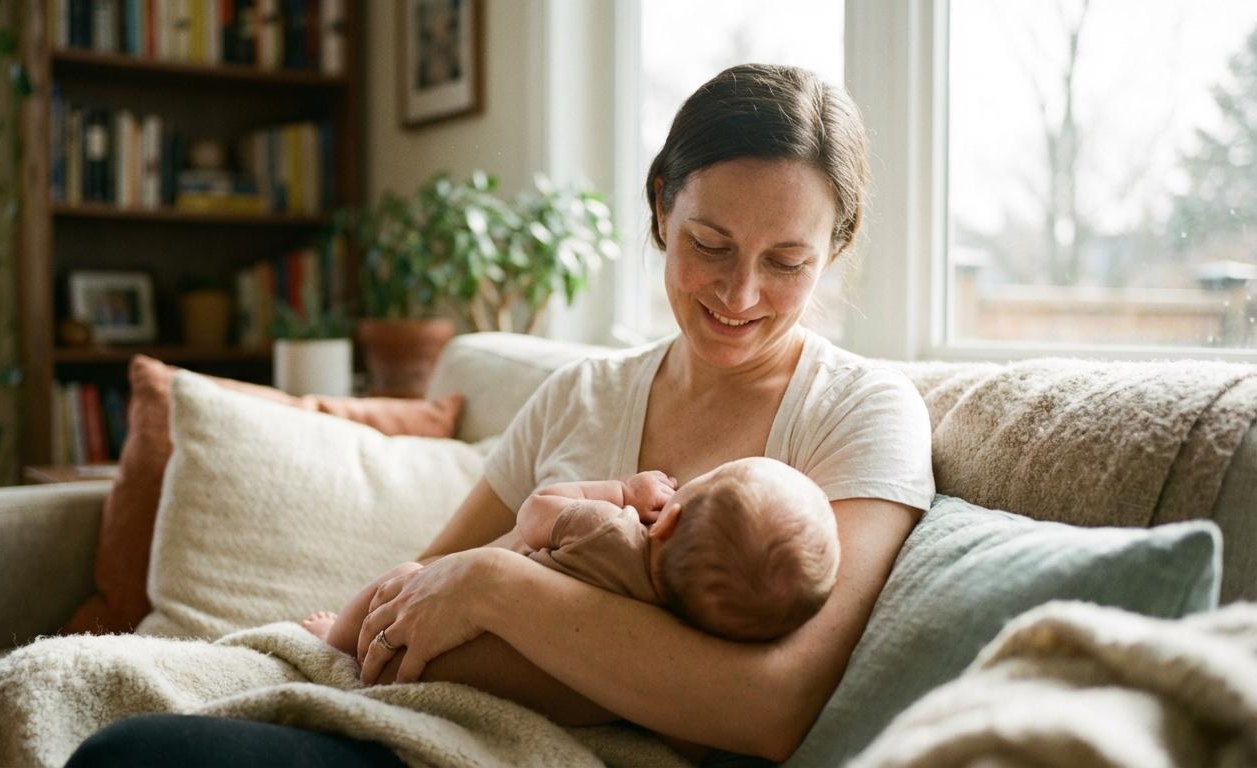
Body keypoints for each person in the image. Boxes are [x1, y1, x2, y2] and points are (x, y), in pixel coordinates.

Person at [68, 62, 934, 766]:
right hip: (429, 717)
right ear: (662, 205)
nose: (740, 294)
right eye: (709, 244)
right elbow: (410, 595)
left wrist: (498, 585)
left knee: (137, 758)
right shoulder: (581, 398)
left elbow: (770, 710)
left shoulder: (860, 414)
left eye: (786, 261)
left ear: (838, 248)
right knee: (106, 728)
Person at [304, 460, 839, 653]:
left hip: (406, 647)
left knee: (404, 577)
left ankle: (336, 639)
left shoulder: (608, 532)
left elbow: (535, 513)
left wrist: (624, 494)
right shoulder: (671, 628)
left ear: (670, 518)